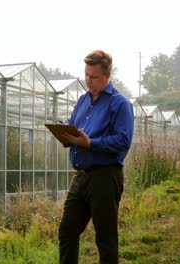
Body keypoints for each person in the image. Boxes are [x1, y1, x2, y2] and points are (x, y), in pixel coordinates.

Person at [58, 50, 134, 263]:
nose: (89, 81)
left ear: (107, 76)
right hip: (81, 176)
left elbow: (122, 141)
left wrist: (91, 143)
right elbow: (75, 130)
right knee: (67, 231)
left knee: (105, 239)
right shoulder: (83, 101)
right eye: (87, 75)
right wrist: (64, 134)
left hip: (105, 177)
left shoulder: (119, 104)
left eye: (94, 77)